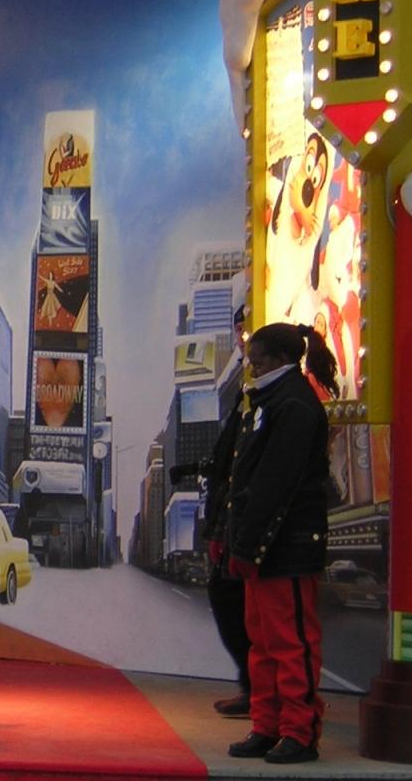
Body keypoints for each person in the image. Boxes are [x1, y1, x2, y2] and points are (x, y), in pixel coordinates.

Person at [224, 322, 337, 765]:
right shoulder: (271, 401)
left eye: (256, 362)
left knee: (291, 643)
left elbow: (275, 483)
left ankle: (299, 733)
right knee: (264, 643)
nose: (251, 369)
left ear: (279, 360)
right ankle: (267, 725)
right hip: (266, 542)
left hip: (285, 543)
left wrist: (248, 542)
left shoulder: (293, 405)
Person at [170, 305, 251, 716]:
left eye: (246, 330)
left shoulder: (274, 397)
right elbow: (227, 458)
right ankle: (255, 689)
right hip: (229, 518)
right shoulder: (249, 394)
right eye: (238, 330)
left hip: (249, 522)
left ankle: (269, 699)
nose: (241, 338)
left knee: (251, 613)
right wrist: (195, 469)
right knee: (228, 603)